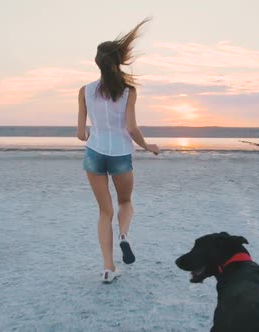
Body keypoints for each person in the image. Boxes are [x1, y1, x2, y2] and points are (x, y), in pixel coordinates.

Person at [76, 18, 160, 283]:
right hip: (121, 155)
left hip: (94, 154)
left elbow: (80, 134)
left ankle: (107, 268)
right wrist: (148, 146)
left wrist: (92, 133)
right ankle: (124, 234)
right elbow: (132, 128)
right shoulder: (128, 92)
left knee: (104, 212)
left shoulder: (85, 91)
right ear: (118, 62)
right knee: (125, 202)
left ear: (97, 63)